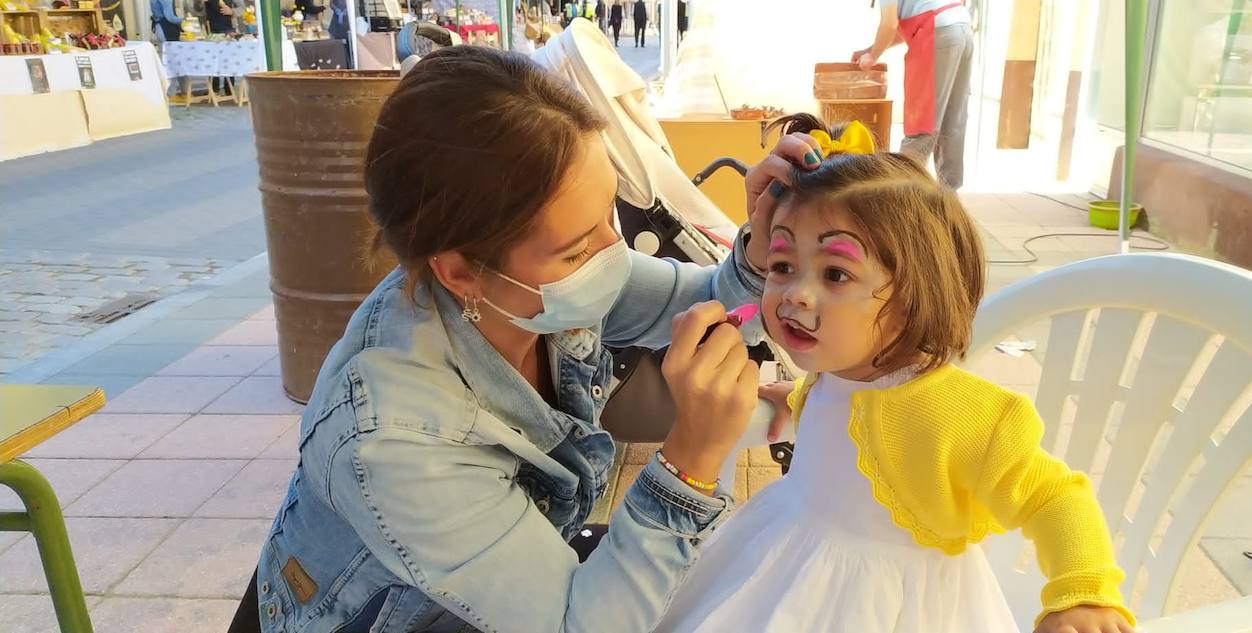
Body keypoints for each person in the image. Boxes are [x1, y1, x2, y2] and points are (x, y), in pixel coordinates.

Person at [232, 46, 820, 633]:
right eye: (576, 248)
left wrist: (762, 250)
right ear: (459, 271)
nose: (612, 256)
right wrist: (689, 462)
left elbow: (695, 300)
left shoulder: (530, 290)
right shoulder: (396, 436)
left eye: (607, 220)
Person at [654, 115, 1136, 633]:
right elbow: (854, 418)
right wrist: (797, 397)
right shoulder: (840, 366)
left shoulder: (961, 413)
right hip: (787, 553)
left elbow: (1053, 495)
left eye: (835, 273)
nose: (794, 293)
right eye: (782, 266)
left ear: (914, 295)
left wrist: (1084, 591)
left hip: (896, 606)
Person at [855, 0, 975, 189]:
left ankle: (903, 195)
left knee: (922, 121)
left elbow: (889, 24)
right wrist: (871, 50)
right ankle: (949, 196)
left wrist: (873, 57)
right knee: (953, 120)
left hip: (936, 32)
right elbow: (902, 29)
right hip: (962, 28)